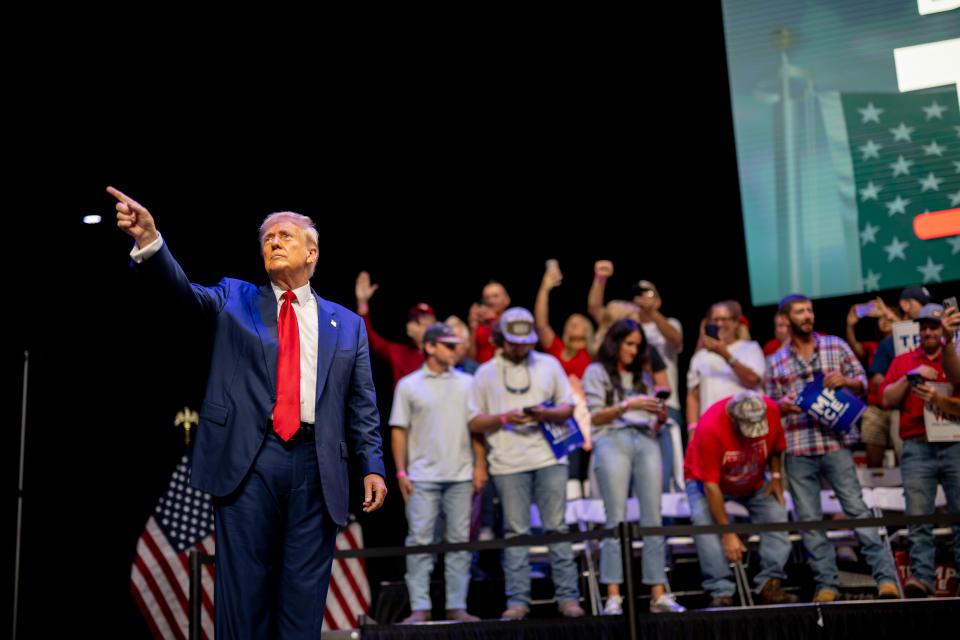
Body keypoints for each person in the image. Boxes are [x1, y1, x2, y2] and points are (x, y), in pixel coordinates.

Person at [109, 187, 387, 639]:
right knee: (244, 595)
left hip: (318, 467)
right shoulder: (234, 298)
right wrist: (151, 242)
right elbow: (182, 294)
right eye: (267, 238)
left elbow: (362, 404)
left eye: (285, 235)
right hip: (250, 461)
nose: (273, 242)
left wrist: (373, 466)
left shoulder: (347, 324)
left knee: (303, 598)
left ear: (311, 252)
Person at [765, 294, 899, 602]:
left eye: (809, 310)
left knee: (857, 510)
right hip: (799, 447)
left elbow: (864, 382)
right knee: (811, 521)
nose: (807, 315)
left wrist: (847, 382)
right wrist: (783, 406)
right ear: (786, 319)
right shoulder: (777, 361)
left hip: (835, 442)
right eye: (800, 312)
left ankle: (886, 578)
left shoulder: (835, 345)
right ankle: (826, 584)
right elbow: (771, 403)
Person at [467, 308, 584, 619]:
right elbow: (474, 421)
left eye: (526, 342)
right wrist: (505, 418)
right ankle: (518, 601)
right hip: (508, 463)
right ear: (501, 339)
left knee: (556, 529)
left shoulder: (549, 364)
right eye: (514, 342)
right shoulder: (485, 372)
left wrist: (544, 413)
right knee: (516, 532)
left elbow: (568, 407)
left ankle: (568, 598)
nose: (521, 348)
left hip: (549, 458)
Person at [582, 318, 685, 614]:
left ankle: (658, 593)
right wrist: (630, 404)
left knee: (653, 517)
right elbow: (595, 416)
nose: (633, 350)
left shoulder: (642, 373)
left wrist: (659, 416)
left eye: (637, 346)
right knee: (616, 518)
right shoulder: (596, 371)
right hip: (612, 439)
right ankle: (613, 596)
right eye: (628, 344)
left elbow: (650, 417)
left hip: (645, 438)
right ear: (615, 343)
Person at [390, 324, 486, 622]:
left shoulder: (469, 383)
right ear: (430, 347)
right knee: (420, 542)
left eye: (456, 345)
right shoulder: (409, 384)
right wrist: (401, 472)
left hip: (460, 476)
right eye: (448, 344)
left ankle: (457, 605)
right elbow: (399, 431)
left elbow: (476, 428)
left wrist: (480, 464)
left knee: (460, 543)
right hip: (422, 477)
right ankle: (420, 606)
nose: (455, 350)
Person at [684, 391, 798, 607]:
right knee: (704, 523)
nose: (754, 436)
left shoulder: (771, 409)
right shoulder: (710, 426)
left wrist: (775, 477)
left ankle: (769, 584)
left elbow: (776, 446)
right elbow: (711, 486)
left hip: (753, 479)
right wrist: (727, 533)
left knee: (777, 513)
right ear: (734, 419)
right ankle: (721, 591)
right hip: (707, 481)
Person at [879, 303, 960, 598]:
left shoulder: (954, 357)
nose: (927, 331)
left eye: (933, 326)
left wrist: (938, 398)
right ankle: (922, 578)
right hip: (916, 445)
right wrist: (910, 376)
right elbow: (885, 399)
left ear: (943, 329)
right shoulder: (904, 361)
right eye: (923, 326)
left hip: (954, 444)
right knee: (918, 520)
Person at [686, 300, 765, 434]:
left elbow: (753, 380)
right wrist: (692, 429)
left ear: (735, 322)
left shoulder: (750, 348)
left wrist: (724, 354)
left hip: (746, 426)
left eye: (724, 319)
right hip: (712, 428)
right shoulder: (699, 356)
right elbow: (693, 397)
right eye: (715, 320)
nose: (719, 324)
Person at [355, 270, 434, 390]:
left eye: (425, 317)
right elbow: (369, 338)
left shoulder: (441, 353)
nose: (420, 321)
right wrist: (362, 303)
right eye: (415, 317)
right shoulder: (399, 353)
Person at [844, 297, 899, 467]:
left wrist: (887, 313)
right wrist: (850, 325)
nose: (884, 321)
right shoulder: (873, 346)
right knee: (873, 459)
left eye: (888, 318)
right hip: (875, 407)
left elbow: (908, 328)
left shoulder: (907, 342)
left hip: (898, 406)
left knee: (903, 455)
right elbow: (855, 348)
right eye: (880, 318)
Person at [534, 259, 594, 379]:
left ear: (588, 328)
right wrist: (544, 289)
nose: (573, 325)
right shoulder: (559, 349)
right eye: (570, 323)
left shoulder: (596, 352)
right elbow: (541, 325)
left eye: (579, 322)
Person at [468, 281, 511, 364]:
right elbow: (470, 358)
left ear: (507, 300)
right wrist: (472, 329)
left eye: (495, 296)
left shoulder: (513, 320)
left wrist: (494, 320)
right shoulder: (479, 325)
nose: (491, 301)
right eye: (486, 298)